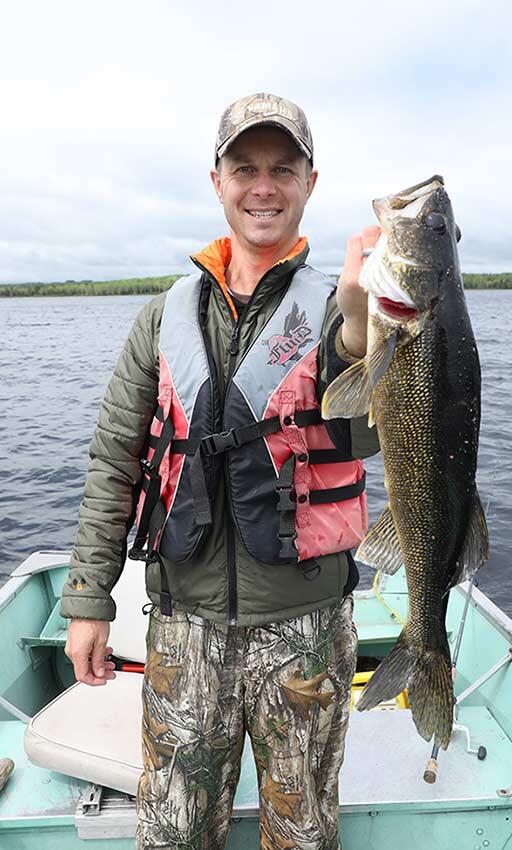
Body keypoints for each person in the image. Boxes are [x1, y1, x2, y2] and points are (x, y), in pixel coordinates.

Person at [62, 92, 380, 850]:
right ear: (216, 181)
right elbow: (114, 459)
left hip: (304, 630)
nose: (262, 186)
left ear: (309, 182)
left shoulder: (346, 305)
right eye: (245, 168)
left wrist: (367, 327)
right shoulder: (163, 314)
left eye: (282, 168)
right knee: (171, 836)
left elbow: (369, 436)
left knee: (300, 836)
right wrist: (87, 598)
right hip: (182, 628)